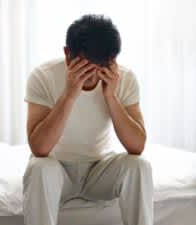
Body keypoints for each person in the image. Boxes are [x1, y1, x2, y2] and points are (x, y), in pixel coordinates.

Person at [23, 14, 153, 225]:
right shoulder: (43, 76)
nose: (93, 74)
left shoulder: (124, 78)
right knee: (39, 167)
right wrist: (70, 94)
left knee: (139, 165)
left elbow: (137, 146)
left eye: (102, 64)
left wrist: (110, 96)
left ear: (113, 60)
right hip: (58, 170)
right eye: (86, 65)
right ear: (67, 55)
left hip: (100, 171)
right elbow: (39, 148)